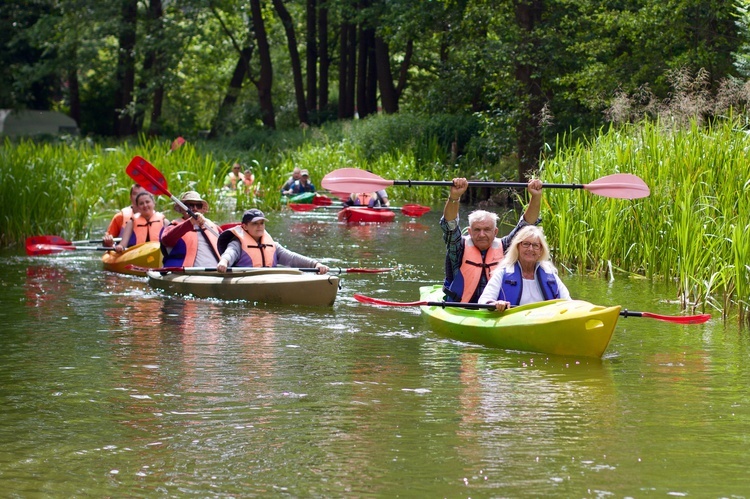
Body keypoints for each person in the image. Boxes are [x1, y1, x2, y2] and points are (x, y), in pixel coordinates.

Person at [441, 177, 543, 303]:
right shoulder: (459, 247)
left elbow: (527, 224)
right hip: (461, 308)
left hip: (498, 308)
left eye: (487, 230)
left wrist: (536, 197)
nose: (482, 234)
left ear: (495, 232)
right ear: (470, 232)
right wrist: (454, 197)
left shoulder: (505, 246)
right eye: (477, 230)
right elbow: (449, 225)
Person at [478, 225, 571, 310]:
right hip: (512, 324)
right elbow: (483, 302)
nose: (530, 249)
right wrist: (495, 303)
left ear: (541, 250)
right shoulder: (503, 273)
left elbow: (568, 302)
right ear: (518, 247)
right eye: (526, 244)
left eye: (535, 245)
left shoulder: (550, 274)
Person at [216, 209, 329, 274]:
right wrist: (224, 262)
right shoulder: (237, 243)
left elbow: (292, 258)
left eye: (261, 223)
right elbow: (229, 253)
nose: (259, 226)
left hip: (268, 279)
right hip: (243, 279)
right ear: (245, 226)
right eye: (255, 223)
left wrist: (315, 264)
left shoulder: (273, 246)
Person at [160, 191, 223, 267]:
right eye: (190, 205)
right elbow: (166, 240)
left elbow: (228, 244)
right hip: (187, 273)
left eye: (198, 205)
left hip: (216, 272)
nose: (195, 208)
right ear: (181, 209)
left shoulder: (212, 226)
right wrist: (190, 222)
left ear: (201, 210)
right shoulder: (174, 226)